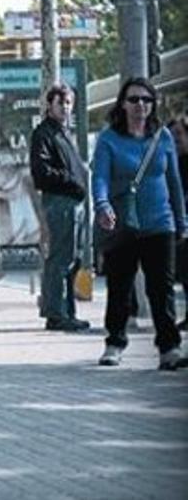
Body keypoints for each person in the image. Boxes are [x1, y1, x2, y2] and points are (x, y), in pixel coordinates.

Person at [91, 78, 186, 370]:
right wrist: (102, 205)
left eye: (146, 100)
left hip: (160, 224)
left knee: (162, 289)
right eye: (134, 100)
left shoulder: (162, 138)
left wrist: (181, 221)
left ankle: (169, 348)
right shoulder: (109, 139)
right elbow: (100, 177)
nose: (140, 106)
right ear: (122, 104)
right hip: (123, 224)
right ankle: (115, 343)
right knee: (120, 286)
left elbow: (173, 183)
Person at [29, 84, 91, 332]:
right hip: (60, 201)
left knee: (73, 260)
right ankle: (55, 314)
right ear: (49, 105)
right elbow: (41, 172)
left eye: (68, 103)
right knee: (60, 259)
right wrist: (71, 179)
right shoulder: (44, 133)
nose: (65, 107)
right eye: (60, 102)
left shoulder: (63, 133)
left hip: (74, 202)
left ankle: (67, 311)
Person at [169, 113, 188, 331]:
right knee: (184, 272)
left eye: (179, 135)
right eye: (172, 136)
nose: (176, 140)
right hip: (181, 224)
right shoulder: (174, 163)